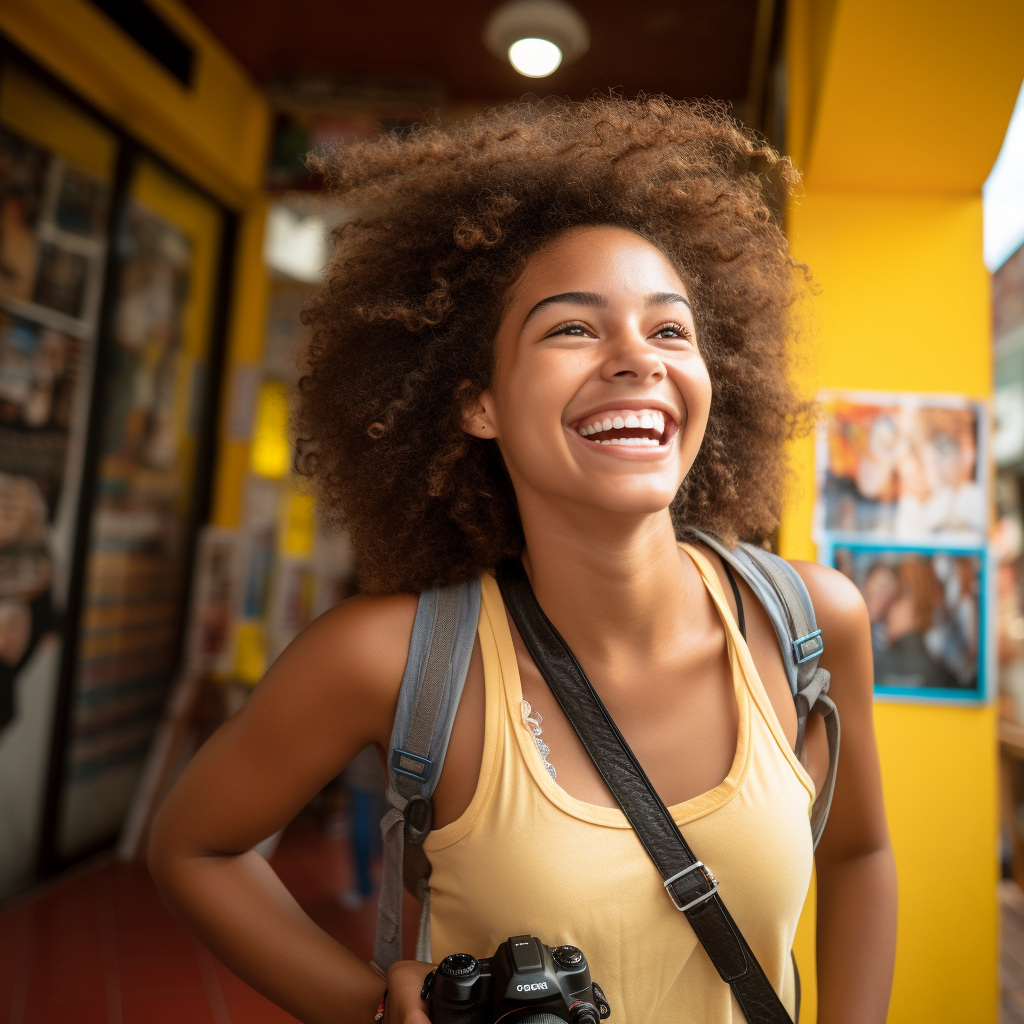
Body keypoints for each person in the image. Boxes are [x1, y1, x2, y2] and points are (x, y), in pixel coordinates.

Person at [148, 97, 896, 1024]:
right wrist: (367, 1009)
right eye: (572, 328)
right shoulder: (394, 659)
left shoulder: (811, 626)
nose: (639, 358)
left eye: (671, 329)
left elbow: (859, 855)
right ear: (478, 404)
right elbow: (191, 847)